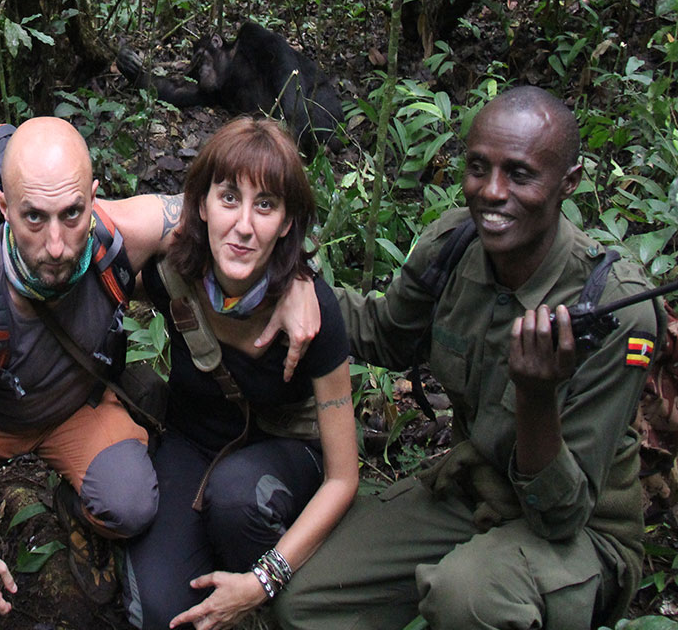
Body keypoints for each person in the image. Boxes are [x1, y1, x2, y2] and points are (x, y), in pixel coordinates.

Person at [0, 117, 317, 621]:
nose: (57, 245)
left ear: (93, 198)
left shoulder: (119, 235)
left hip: (75, 408)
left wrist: (298, 279)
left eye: (72, 214)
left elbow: (228, 223)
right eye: (34, 219)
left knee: (129, 505)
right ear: (4, 208)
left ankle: (77, 508)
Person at [273, 86, 657, 629]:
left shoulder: (612, 310)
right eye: (478, 168)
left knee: (467, 596)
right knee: (307, 602)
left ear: (567, 184)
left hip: (579, 537)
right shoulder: (455, 246)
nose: (492, 192)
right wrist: (292, 285)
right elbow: (385, 334)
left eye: (520, 175)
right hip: (473, 493)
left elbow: (562, 514)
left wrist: (536, 396)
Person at [122, 118, 357, 630]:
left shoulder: (313, 311)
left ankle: (269, 607)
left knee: (235, 497)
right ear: (202, 205)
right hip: (192, 445)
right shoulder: (172, 275)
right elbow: (85, 250)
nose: (244, 225)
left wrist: (262, 580)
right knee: (162, 612)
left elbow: (344, 477)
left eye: (265, 205)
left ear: (288, 221)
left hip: (285, 458)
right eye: (229, 198)